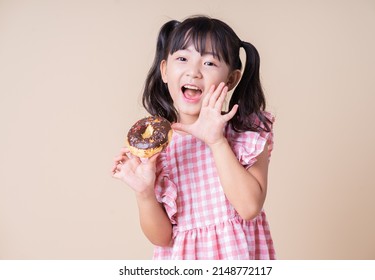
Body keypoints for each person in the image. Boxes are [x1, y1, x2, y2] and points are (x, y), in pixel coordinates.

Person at [112, 15, 276, 260]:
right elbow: (162, 238)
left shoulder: (247, 132)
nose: (194, 72)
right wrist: (144, 193)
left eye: (209, 63)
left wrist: (216, 141)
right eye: (182, 58)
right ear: (165, 71)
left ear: (231, 79)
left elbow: (249, 207)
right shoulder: (160, 150)